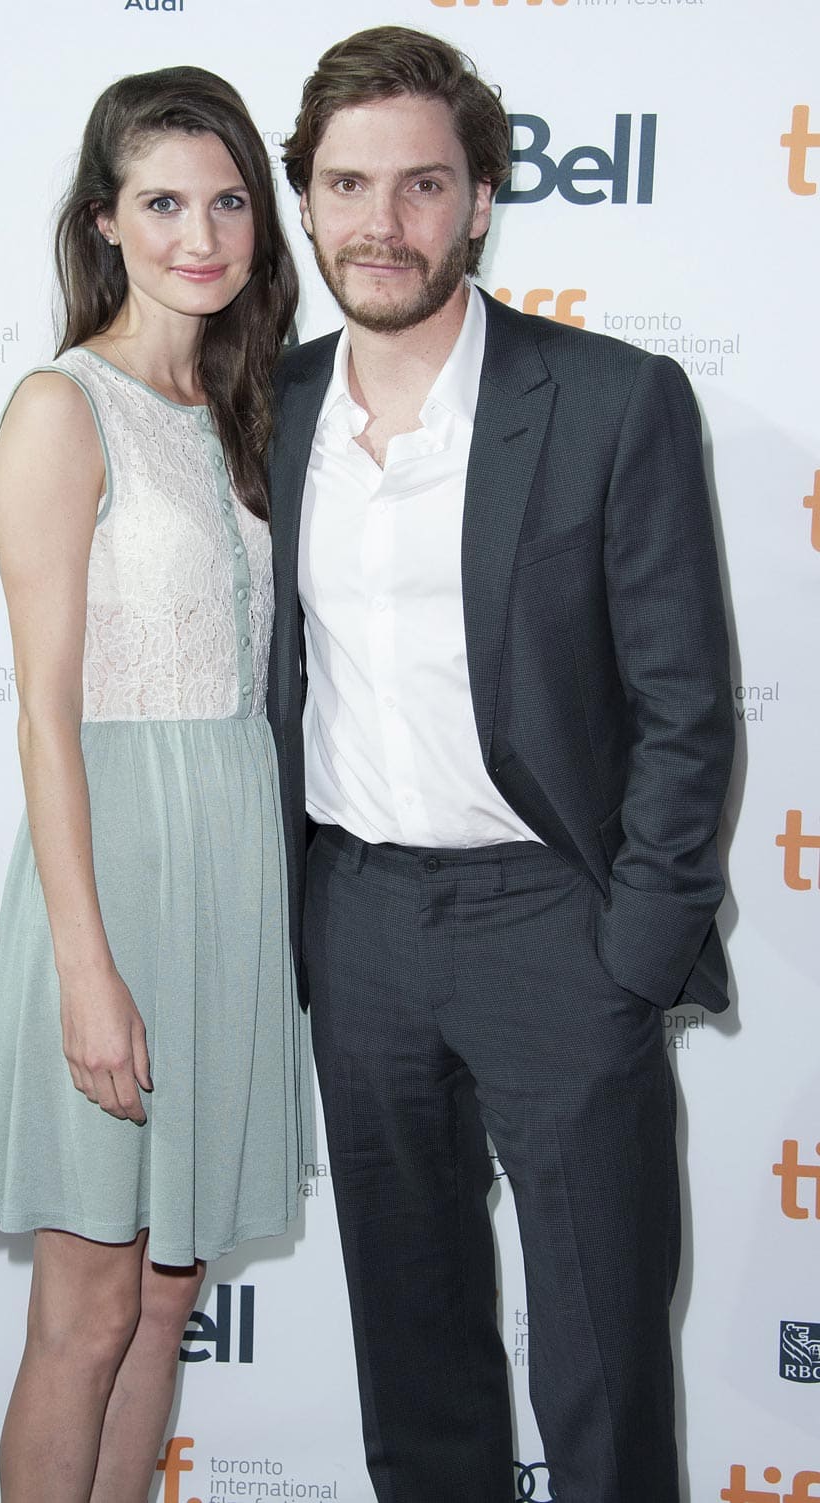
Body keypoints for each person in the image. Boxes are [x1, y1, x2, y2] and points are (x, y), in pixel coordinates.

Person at [267, 26, 733, 1503]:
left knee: (599, 1355)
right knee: (413, 1349)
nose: (380, 224)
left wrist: (633, 949)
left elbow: (686, 703)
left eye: (420, 187)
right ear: (308, 201)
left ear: (479, 201)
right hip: (359, 929)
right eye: (348, 185)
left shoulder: (608, 399)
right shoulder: (266, 411)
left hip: (557, 930)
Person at [0, 67, 311, 1503]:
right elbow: (48, 718)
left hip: (231, 881)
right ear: (104, 220)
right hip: (111, 884)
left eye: (229, 200)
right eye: (164, 201)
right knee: (89, 1310)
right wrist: (87, 973)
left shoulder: (254, 413)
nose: (202, 232)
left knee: (167, 1299)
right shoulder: (64, 405)